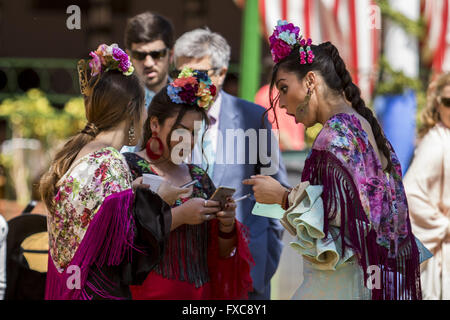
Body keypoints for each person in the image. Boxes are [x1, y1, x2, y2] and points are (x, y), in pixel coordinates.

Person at [243, 20, 423, 300]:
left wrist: (282, 196)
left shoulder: (335, 135)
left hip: (347, 282)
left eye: (284, 88)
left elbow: (343, 217)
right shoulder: (362, 125)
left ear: (311, 81)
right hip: (379, 279)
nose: (280, 103)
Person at [39, 44, 182, 300]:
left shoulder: (77, 152)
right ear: (131, 109)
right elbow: (125, 252)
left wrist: (133, 194)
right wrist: (161, 204)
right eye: (143, 105)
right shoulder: (111, 163)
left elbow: (97, 219)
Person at [173, 28, 290, 300]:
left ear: (221, 73)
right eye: (180, 74)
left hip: (245, 273)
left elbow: (276, 191)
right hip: (183, 274)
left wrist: (265, 261)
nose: (187, 83)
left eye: (196, 74)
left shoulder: (254, 118)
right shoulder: (166, 118)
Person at [123, 67, 253, 300]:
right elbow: (124, 239)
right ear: (155, 125)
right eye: (182, 132)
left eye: (195, 133)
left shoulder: (200, 176)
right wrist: (181, 215)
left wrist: (225, 225)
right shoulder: (129, 169)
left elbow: (221, 253)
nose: (190, 142)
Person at [404, 72, 450, 300]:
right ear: (437, 104)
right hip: (443, 260)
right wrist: (444, 225)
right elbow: (410, 193)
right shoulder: (436, 141)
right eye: (449, 102)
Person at [121, 12, 174, 154]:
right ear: (129, 56)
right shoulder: (118, 98)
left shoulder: (188, 99)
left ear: (171, 54)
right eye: (140, 55)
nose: (149, 62)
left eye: (157, 54)